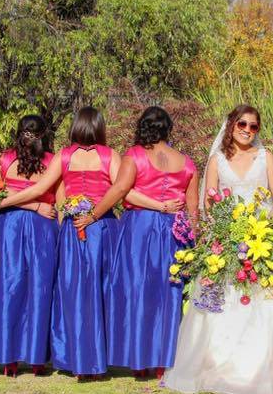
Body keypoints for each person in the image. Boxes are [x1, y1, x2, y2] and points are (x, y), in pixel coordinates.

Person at [163, 105, 273, 394]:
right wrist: (224, 228)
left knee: (260, 300)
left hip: (260, 236)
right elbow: (209, 201)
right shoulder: (217, 160)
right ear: (231, 125)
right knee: (223, 299)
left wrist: (261, 225)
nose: (248, 131)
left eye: (254, 127)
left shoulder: (266, 158)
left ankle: (258, 368)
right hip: (226, 237)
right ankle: (217, 364)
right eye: (243, 124)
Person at [0, 107, 122, 381]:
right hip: (102, 228)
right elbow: (120, 189)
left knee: (72, 293)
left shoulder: (65, 156)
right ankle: (98, 359)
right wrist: (96, 213)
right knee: (100, 291)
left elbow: (40, 189)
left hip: (74, 229)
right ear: (100, 127)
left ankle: (75, 358)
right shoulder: (110, 156)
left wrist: (2, 202)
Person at [75, 106, 199, 378]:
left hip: (139, 229)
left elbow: (121, 191)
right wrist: (195, 242)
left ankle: (138, 360)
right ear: (168, 128)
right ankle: (163, 360)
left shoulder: (135, 156)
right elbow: (193, 209)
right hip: (173, 233)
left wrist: (92, 216)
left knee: (137, 290)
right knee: (168, 294)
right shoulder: (188, 163)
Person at [0, 115, 58, 377]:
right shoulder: (51, 161)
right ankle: (37, 357)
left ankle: (10, 358)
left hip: (10, 226)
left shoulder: (4, 158)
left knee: (11, 287)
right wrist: (36, 205)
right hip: (37, 225)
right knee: (39, 288)